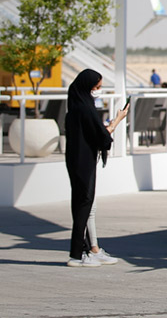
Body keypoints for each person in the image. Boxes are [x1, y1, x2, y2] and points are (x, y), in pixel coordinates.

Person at [65, 69, 130, 267]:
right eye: (97, 87)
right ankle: (77, 254)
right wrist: (118, 120)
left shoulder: (75, 108)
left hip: (75, 160)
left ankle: (89, 248)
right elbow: (102, 136)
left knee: (81, 204)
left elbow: (94, 132)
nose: (98, 91)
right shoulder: (87, 109)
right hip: (85, 162)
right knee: (84, 204)